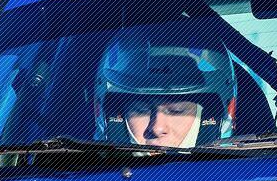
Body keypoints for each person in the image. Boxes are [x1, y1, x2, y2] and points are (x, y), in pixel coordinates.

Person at [94, 30, 238, 147]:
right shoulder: (87, 172)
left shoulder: (243, 170)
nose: (157, 128)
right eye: (140, 110)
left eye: (177, 111)